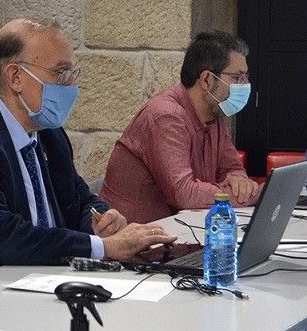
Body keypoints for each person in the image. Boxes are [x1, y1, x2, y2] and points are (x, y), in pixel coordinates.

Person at [0, 19, 176, 295]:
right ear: (15, 77)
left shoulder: (48, 133)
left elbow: (77, 199)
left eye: (74, 74)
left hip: (35, 286)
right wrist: (105, 247)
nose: (72, 86)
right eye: (61, 74)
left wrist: (101, 219)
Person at [100, 30, 262, 225]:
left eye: (246, 77)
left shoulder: (216, 114)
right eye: (237, 78)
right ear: (207, 80)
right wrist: (250, 195)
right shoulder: (166, 115)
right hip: (133, 242)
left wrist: (239, 182)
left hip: (179, 233)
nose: (245, 85)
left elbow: (232, 168)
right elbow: (183, 193)